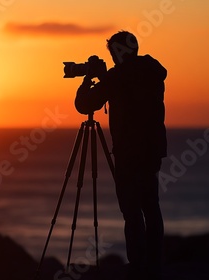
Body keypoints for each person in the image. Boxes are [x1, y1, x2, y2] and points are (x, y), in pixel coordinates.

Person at [74, 31, 167, 280]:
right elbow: (130, 93)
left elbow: (86, 104)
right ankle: (154, 266)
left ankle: (137, 267)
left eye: (114, 53)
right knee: (151, 207)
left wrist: (88, 79)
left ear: (118, 52)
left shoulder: (117, 77)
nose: (113, 58)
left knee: (131, 210)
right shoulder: (152, 71)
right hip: (152, 150)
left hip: (128, 152)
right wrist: (105, 77)